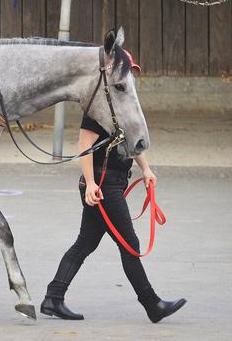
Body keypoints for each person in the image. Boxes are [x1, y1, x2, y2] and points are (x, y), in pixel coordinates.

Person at [40, 115, 187, 323]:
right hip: (102, 186)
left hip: (113, 183)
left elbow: (132, 140)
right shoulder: (96, 110)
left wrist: (145, 169)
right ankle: (152, 304)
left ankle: (53, 298)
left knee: (84, 244)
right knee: (129, 245)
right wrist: (90, 183)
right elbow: (85, 144)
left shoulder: (122, 105)